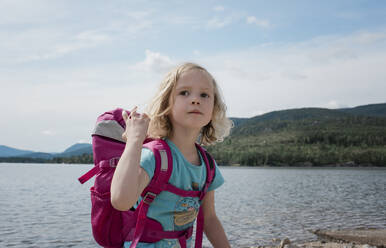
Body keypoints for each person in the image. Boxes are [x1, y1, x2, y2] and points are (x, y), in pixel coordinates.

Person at [110, 62, 233, 248]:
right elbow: (120, 201)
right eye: (184, 92)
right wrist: (135, 141)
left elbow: (209, 220)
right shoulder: (155, 156)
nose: (195, 100)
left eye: (204, 94)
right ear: (167, 103)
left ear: (214, 108)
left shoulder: (207, 165)